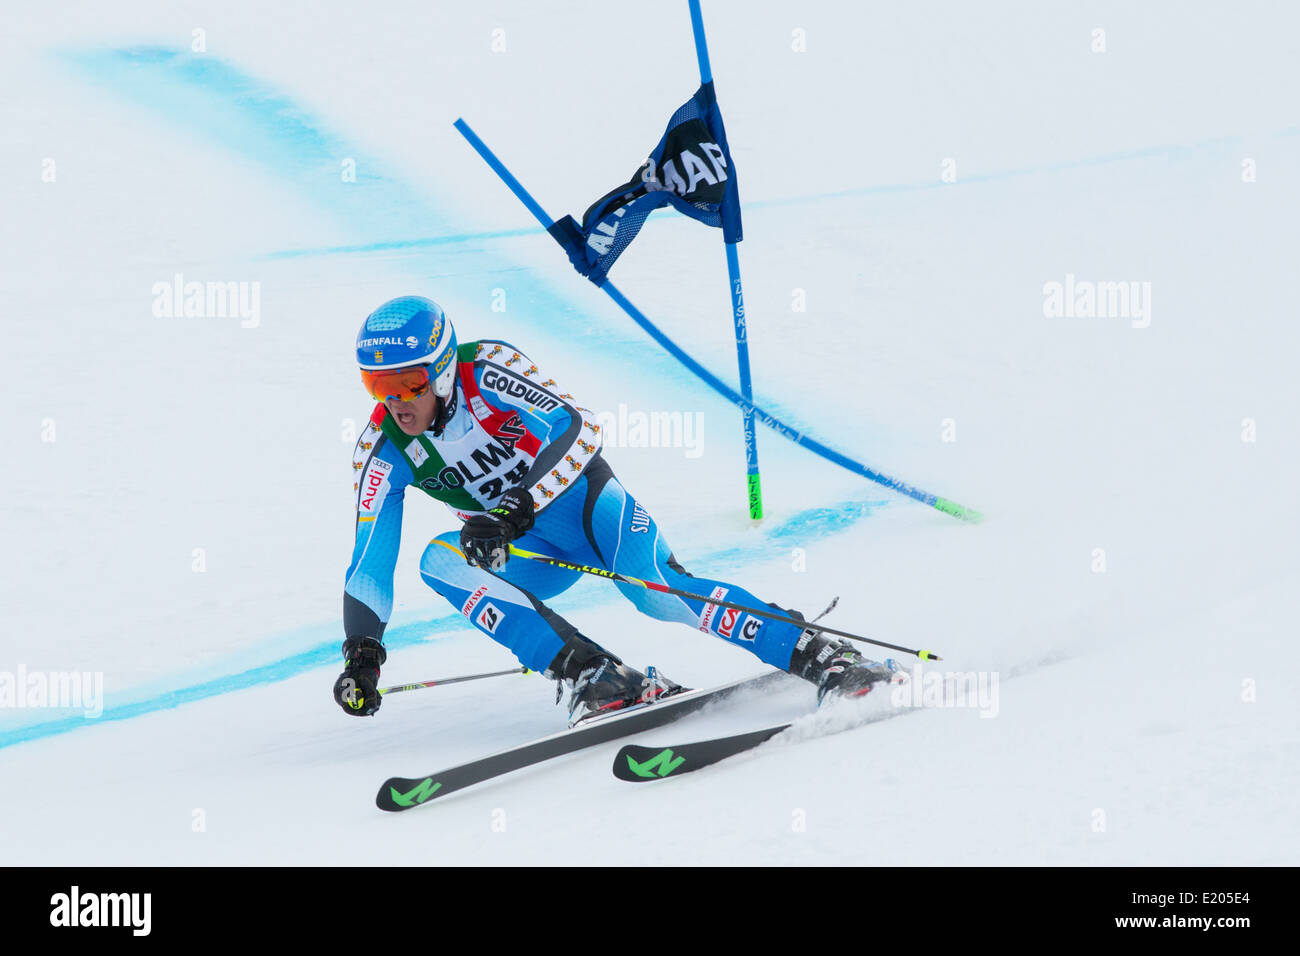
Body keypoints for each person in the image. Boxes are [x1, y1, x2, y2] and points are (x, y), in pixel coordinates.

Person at [335, 295, 895, 723]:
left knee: (657, 595)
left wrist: (518, 504)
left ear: (440, 370)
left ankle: (819, 654)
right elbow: (369, 560)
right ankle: (596, 676)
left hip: (589, 511)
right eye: (375, 384)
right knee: (440, 561)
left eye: (407, 382)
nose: (395, 401)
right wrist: (362, 652)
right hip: (527, 547)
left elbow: (577, 427)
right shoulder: (383, 447)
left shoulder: (488, 367)